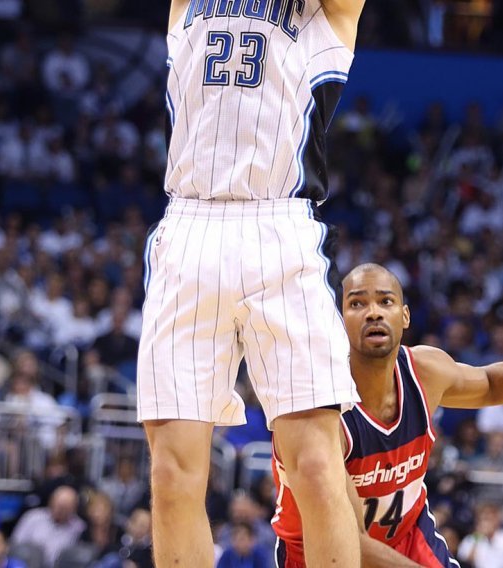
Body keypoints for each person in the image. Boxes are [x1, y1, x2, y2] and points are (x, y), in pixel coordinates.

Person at [139, 0, 370, 566]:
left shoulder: (326, 12)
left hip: (282, 230)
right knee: (172, 475)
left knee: (316, 467)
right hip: (190, 228)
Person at [272, 263, 503, 567]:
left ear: (405, 316)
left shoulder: (425, 371)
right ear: (338, 320)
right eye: (357, 303)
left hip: (408, 537)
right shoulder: (321, 410)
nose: (374, 312)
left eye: (386, 301)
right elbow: (352, 541)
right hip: (325, 553)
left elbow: (490, 384)